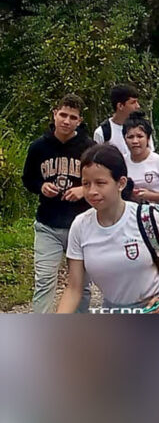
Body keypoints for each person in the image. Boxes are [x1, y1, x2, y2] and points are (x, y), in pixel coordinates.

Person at [57, 144, 159, 314]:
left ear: (121, 183)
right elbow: (74, 289)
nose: (92, 191)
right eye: (86, 184)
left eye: (100, 183)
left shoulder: (146, 217)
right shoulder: (80, 226)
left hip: (154, 311)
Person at [22, 94, 93, 313]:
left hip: (81, 226)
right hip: (47, 225)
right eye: (63, 114)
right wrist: (41, 186)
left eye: (73, 117)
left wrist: (84, 189)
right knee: (44, 281)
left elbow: (103, 183)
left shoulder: (89, 148)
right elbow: (28, 179)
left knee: (82, 284)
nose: (66, 121)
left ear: (79, 121)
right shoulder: (38, 148)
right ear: (54, 114)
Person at [123, 115, 159, 204]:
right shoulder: (120, 162)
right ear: (125, 140)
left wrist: (150, 196)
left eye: (140, 136)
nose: (135, 141)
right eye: (130, 137)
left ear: (148, 138)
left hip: (156, 213)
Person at [93, 84, 153, 159]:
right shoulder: (103, 132)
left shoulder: (143, 128)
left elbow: (151, 156)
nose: (138, 106)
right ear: (120, 106)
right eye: (133, 102)